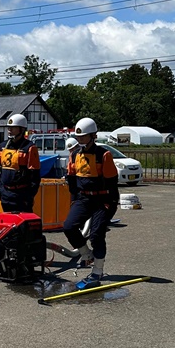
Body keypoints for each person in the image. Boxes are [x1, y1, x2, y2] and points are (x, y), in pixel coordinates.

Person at [63, 117, 120, 289]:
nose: (80, 139)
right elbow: (72, 182)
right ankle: (86, 254)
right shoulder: (74, 155)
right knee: (69, 226)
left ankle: (97, 270)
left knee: (96, 234)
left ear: (93, 136)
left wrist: (111, 205)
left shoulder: (104, 155)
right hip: (83, 198)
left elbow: (112, 182)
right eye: (78, 137)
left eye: (84, 136)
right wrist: (74, 202)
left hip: (103, 199)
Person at [0, 113, 41, 213]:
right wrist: (1, 189)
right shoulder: (2, 147)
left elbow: (35, 175)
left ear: (21, 129)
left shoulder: (29, 148)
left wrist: (29, 195)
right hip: (6, 193)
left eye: (13, 128)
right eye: (9, 128)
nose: (9, 130)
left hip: (22, 194)